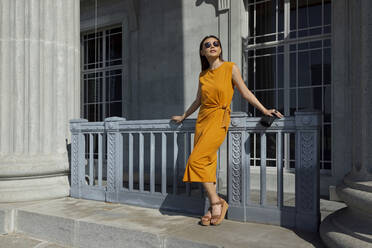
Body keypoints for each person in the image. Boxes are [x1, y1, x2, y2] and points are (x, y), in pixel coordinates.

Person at [171, 35, 283, 226]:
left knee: (196, 160)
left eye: (216, 44)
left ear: (220, 49)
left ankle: (218, 202)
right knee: (208, 164)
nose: (212, 46)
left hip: (219, 119)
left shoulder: (230, 68)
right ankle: (212, 206)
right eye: (208, 45)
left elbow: (245, 92)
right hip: (202, 121)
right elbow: (199, 100)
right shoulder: (203, 75)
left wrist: (264, 110)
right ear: (202, 51)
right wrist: (184, 116)